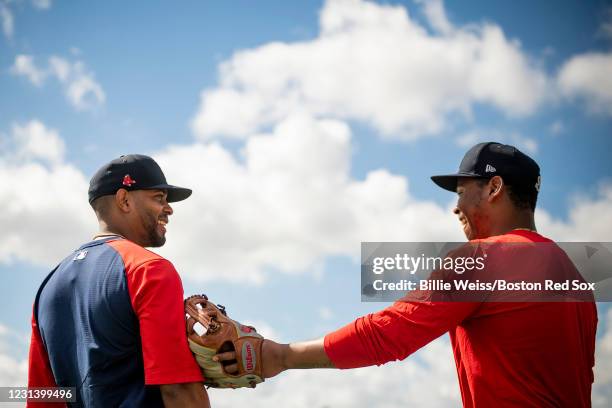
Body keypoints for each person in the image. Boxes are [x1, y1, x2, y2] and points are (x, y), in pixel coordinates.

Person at [227, 142, 597, 407]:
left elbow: (388, 333)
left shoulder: (484, 258)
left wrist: (281, 356)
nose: (456, 208)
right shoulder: (576, 278)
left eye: (463, 191)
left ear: (494, 188)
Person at [27, 154, 210, 407]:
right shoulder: (149, 269)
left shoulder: (48, 286)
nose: (169, 209)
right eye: (159, 198)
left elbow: (43, 398)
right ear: (124, 200)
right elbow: (178, 388)